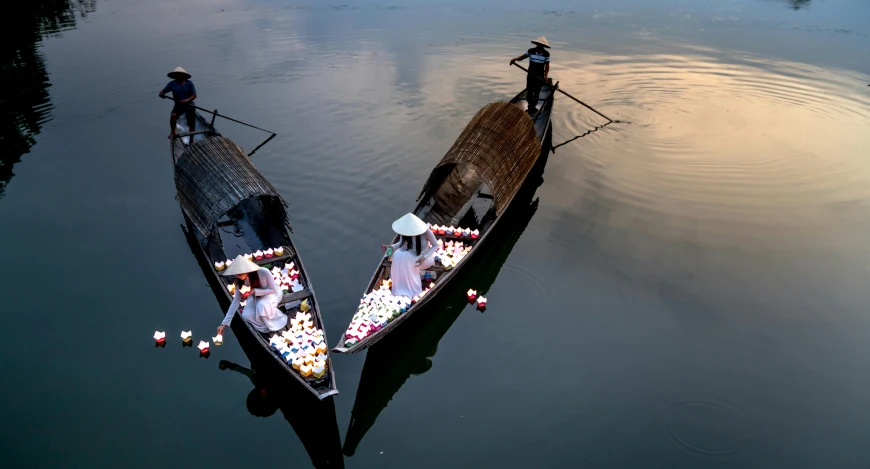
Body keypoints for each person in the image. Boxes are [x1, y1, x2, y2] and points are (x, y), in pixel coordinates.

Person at [216, 254, 288, 336]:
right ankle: (265, 326)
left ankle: (275, 323)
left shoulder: (263, 272)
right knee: (246, 315)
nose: (237, 276)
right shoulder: (240, 282)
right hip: (256, 297)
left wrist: (255, 291)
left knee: (262, 305)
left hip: (271, 293)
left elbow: (273, 290)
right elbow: (235, 302)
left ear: (247, 270)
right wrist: (223, 325)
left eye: (239, 274)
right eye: (236, 274)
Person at [382, 213, 438, 298]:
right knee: (397, 254)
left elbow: (435, 245)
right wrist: (389, 249)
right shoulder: (405, 232)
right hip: (411, 253)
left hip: (423, 257)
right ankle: (401, 285)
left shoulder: (426, 232)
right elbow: (400, 244)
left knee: (407, 258)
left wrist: (424, 257)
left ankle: (412, 288)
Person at [509, 36, 551, 113]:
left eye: (541, 45)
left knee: (537, 92)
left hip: (539, 76)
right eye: (538, 44)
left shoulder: (546, 54)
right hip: (531, 75)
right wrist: (515, 59)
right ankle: (530, 106)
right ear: (536, 44)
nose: (539, 46)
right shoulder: (531, 51)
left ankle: (532, 108)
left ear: (543, 46)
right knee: (529, 92)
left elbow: (547, 66)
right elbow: (522, 57)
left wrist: (545, 76)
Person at [158, 66, 197, 140]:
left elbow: (194, 96)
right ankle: (173, 132)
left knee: (191, 125)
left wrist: (186, 100)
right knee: (173, 115)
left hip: (189, 105)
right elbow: (162, 92)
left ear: (183, 75)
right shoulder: (172, 84)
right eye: (176, 74)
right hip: (178, 105)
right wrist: (161, 94)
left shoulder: (189, 83)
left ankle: (191, 140)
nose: (177, 76)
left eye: (179, 74)